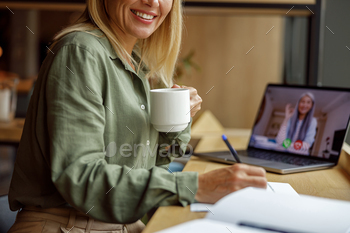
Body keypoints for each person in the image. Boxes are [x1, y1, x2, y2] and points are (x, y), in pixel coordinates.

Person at [8, 0, 267, 232]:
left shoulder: (135, 64)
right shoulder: (80, 51)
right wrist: (194, 186)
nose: (152, 2)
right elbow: (82, 178)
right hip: (67, 225)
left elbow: (151, 168)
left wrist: (178, 122)